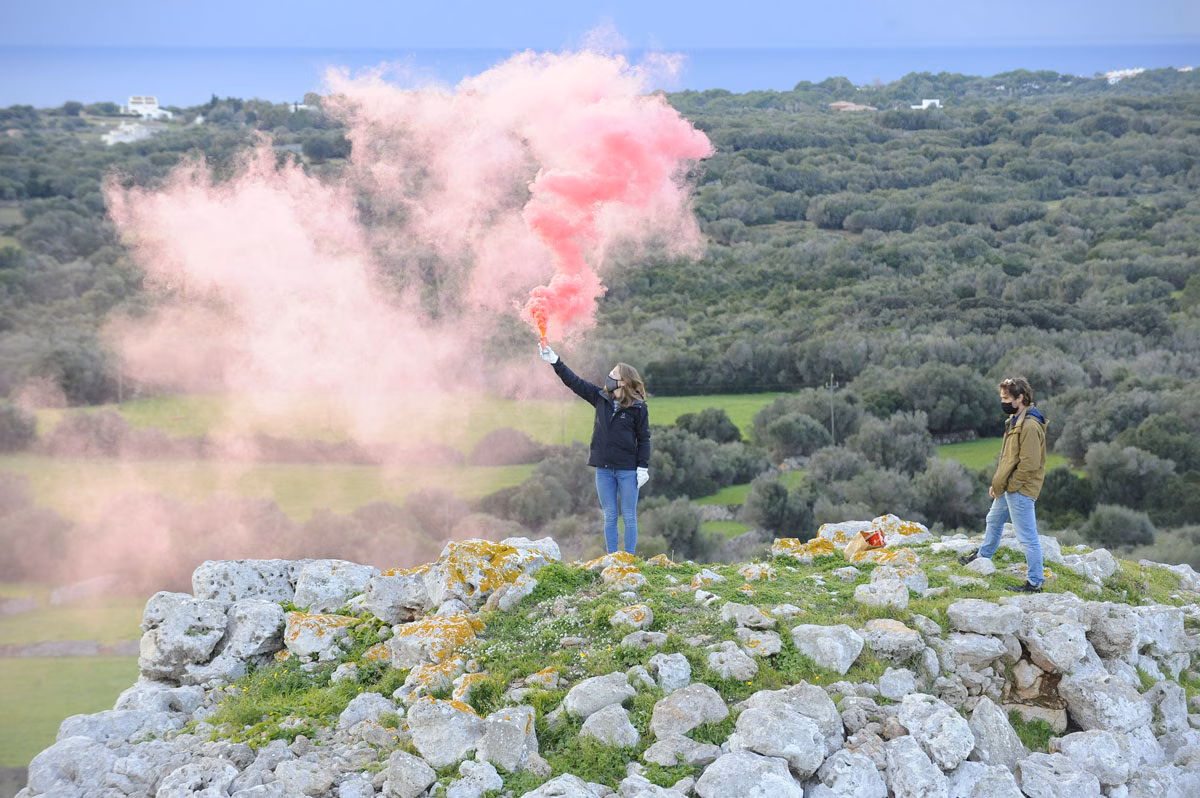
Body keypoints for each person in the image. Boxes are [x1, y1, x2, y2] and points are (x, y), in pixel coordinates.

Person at [539, 344, 651, 555]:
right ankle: (612, 559)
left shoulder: (638, 407)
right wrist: (555, 361)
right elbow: (575, 382)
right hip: (604, 469)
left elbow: (644, 439)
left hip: (628, 470)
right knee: (610, 515)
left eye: (614, 373)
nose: (609, 376)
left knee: (628, 516)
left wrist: (642, 466)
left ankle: (629, 559)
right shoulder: (600, 398)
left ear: (624, 381)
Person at [959, 377, 1050, 592]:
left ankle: (1035, 582)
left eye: (1006, 398)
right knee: (994, 519)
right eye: (1002, 397)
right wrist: (999, 483)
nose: (1003, 402)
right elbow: (1008, 458)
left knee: (1027, 538)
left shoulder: (1029, 426)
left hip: (1020, 489)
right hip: (1008, 487)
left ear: (1020, 398)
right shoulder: (1015, 420)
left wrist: (1012, 486)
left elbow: (1029, 464)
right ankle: (983, 556)